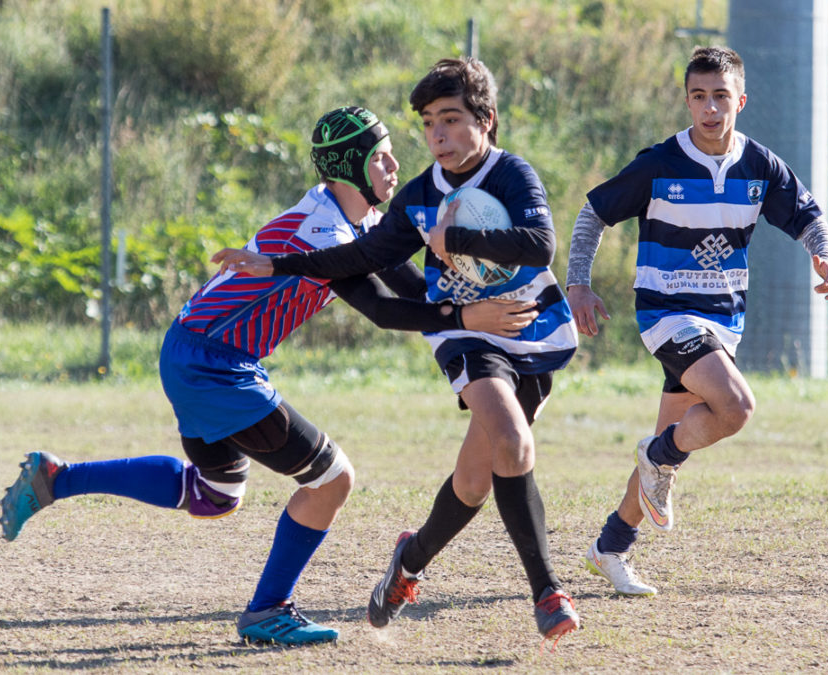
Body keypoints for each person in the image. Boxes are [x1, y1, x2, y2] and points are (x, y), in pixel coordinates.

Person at [0, 106, 539, 647]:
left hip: (197, 354)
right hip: (213, 363)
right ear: (351, 168)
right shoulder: (321, 233)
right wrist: (469, 316)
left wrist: (477, 278)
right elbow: (382, 309)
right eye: (380, 155)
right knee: (332, 479)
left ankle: (55, 477)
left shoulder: (357, 221)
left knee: (214, 493)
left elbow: (415, 289)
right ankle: (269, 611)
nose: (395, 164)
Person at [212, 58, 582, 645]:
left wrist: (454, 238)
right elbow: (359, 259)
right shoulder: (416, 198)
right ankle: (548, 591)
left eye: (453, 119)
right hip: (465, 335)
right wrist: (279, 262)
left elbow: (539, 245)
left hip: (528, 331)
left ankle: (409, 560)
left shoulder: (512, 175)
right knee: (512, 439)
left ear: (485, 120)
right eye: (430, 122)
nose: (437, 134)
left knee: (474, 482)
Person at [566, 46, 828, 596]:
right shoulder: (659, 164)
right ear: (687, 101)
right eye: (699, 97)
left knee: (673, 449)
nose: (710, 108)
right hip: (666, 313)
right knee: (735, 408)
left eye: (720, 96)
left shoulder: (759, 165)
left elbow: (809, 216)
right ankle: (655, 454)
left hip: (723, 319)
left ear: (740, 100)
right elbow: (593, 213)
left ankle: (611, 546)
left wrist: (826, 255)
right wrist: (578, 282)